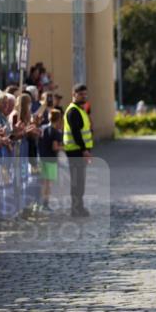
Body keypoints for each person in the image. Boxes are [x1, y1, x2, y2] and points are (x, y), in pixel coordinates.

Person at [63, 83, 93, 218]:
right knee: (77, 181)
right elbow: (76, 133)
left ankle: (79, 207)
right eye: (81, 94)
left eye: (85, 94)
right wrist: (84, 150)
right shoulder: (73, 111)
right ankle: (76, 209)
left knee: (80, 181)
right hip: (75, 151)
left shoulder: (80, 109)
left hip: (78, 151)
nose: (84, 96)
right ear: (74, 94)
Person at [38, 109, 63, 211]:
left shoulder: (43, 128)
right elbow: (55, 147)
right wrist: (65, 147)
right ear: (59, 119)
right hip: (51, 160)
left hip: (42, 157)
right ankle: (45, 203)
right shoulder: (56, 132)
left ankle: (40, 203)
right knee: (48, 183)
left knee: (43, 182)